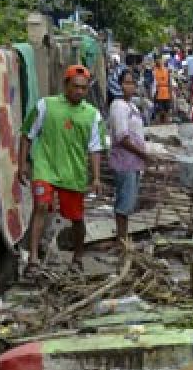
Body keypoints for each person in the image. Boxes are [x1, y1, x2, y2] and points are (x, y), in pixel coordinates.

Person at [17, 65, 104, 270]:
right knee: (40, 207)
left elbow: (95, 149)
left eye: (83, 88)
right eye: (75, 86)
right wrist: (22, 164)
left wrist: (97, 177)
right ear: (65, 85)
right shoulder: (45, 106)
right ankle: (33, 259)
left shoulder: (93, 115)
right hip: (45, 168)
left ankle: (78, 258)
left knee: (76, 218)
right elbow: (26, 134)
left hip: (73, 174)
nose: (79, 91)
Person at [109, 68, 151, 248]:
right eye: (126, 83)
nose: (130, 86)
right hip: (124, 161)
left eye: (132, 83)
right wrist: (144, 154)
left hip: (133, 162)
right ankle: (121, 242)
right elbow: (122, 137)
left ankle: (123, 241)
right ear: (119, 85)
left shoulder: (131, 106)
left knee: (127, 202)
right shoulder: (118, 106)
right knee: (123, 204)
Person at [151, 55, 173, 125]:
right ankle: (159, 124)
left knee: (166, 110)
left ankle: (166, 124)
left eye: (159, 60)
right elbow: (152, 83)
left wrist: (170, 92)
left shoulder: (166, 71)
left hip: (165, 92)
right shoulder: (153, 71)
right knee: (159, 110)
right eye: (157, 60)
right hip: (158, 92)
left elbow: (169, 82)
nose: (159, 61)